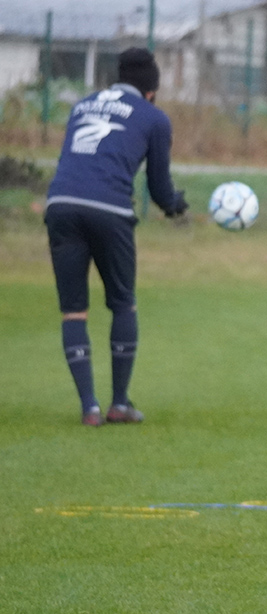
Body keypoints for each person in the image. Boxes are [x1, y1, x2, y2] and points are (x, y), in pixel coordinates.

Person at [44, 47, 188, 426]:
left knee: (74, 309)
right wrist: (176, 206)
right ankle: (119, 403)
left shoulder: (82, 105)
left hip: (60, 203)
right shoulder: (154, 118)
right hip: (109, 208)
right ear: (152, 90)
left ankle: (89, 406)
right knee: (123, 303)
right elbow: (159, 189)